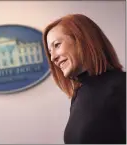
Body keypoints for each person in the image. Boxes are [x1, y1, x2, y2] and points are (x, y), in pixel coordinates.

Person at [42, 14, 126, 144]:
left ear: (82, 40)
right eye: (50, 51)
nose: (52, 58)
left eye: (57, 45)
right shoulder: (78, 94)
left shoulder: (122, 85)